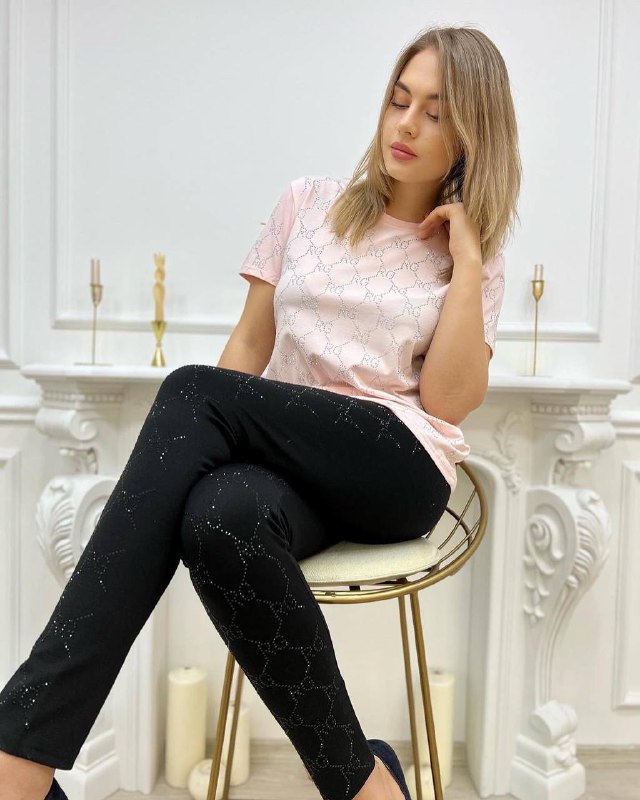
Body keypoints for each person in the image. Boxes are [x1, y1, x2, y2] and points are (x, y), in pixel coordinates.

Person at [0, 22, 520, 800]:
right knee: (219, 516)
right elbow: (250, 344)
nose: (407, 124)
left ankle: (20, 752)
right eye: (399, 100)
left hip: (396, 464)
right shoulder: (308, 204)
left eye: (436, 113)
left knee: (191, 389)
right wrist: (204, 446)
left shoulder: (473, 257)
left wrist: (470, 260)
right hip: (290, 461)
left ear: (473, 136)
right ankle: (367, 784)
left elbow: (448, 400)